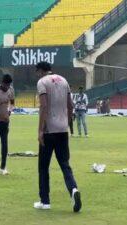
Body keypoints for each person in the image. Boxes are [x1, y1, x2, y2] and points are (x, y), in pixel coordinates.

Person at [34, 62, 82, 213]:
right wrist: (66, 124)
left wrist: (40, 130)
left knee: (43, 167)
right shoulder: (64, 80)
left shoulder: (42, 82)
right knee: (65, 164)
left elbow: (43, 106)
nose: (37, 74)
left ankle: (45, 201)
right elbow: (70, 105)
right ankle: (73, 189)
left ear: (41, 71)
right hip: (63, 130)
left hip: (49, 131)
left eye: (37, 72)